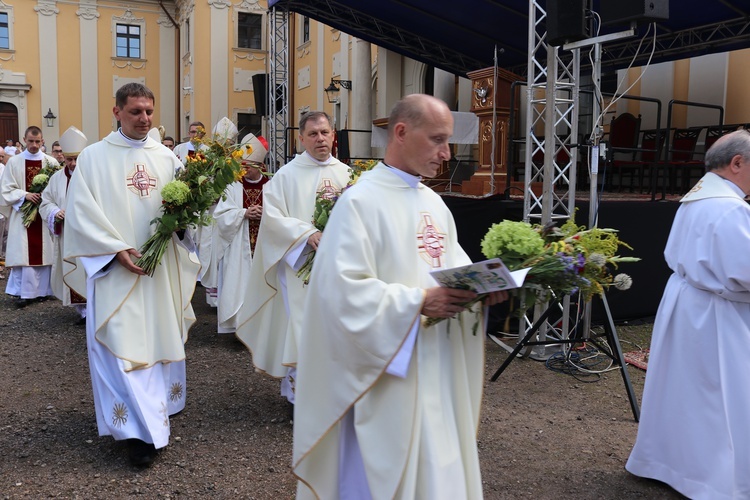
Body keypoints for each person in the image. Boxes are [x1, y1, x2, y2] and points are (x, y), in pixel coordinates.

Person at [292, 95, 508, 499]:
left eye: (449, 143)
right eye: (438, 140)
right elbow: (339, 294)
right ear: (402, 133)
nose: (446, 154)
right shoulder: (359, 202)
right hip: (387, 372)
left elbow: (452, 269)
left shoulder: (434, 202)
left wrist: (482, 289)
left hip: (436, 365)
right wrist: (416, 303)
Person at [63, 83, 200, 467]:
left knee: (157, 338)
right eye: (136, 111)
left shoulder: (168, 158)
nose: (144, 119)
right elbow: (81, 211)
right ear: (117, 112)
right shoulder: (93, 157)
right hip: (116, 271)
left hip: (159, 270)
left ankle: (155, 414)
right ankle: (140, 434)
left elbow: (185, 211)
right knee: (120, 344)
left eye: (149, 112)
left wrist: (183, 223)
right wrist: (114, 249)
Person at [626, 129, 750, 499]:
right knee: (719, 393)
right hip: (719, 314)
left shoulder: (695, 199)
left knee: (682, 390)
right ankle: (715, 478)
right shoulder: (730, 208)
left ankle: (667, 463)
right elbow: (743, 271)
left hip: (687, 303)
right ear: (737, 163)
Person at [235, 111, 350, 404]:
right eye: (312, 134)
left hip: (338, 267)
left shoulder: (346, 174)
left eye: (324, 132)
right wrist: (305, 235)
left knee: (337, 327)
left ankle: (334, 394)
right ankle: (301, 400)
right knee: (304, 328)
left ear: (333, 134)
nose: (320, 139)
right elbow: (272, 218)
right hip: (301, 265)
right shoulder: (287, 175)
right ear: (301, 138)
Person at [213, 133, 269, 334]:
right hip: (238, 247)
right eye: (242, 164)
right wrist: (244, 213)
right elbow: (221, 215)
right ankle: (240, 326)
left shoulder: (271, 186)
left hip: (263, 246)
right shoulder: (232, 186)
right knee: (240, 285)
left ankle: (261, 328)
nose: (244, 169)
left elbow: (281, 213)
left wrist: (266, 214)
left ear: (260, 166)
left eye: (249, 165)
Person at [0, 126, 59, 307]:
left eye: (37, 141)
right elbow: (6, 189)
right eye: (31, 141)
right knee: (24, 253)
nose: (34, 145)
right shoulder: (14, 162)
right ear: (24, 140)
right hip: (23, 214)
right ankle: (24, 293)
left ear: (42, 141)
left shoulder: (51, 163)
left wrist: (46, 198)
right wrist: (25, 195)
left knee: (46, 253)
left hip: (44, 215)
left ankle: (45, 291)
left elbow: (58, 188)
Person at [39, 127, 88, 322]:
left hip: (86, 235)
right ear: (63, 158)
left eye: (76, 158)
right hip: (67, 234)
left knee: (86, 270)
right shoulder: (56, 178)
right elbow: (46, 201)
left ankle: (92, 308)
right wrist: (54, 212)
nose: (73, 163)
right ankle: (82, 310)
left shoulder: (90, 176)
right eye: (69, 159)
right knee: (71, 268)